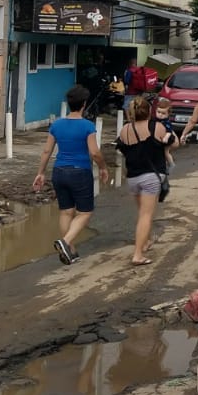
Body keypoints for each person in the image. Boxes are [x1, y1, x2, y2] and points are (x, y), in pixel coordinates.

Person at [33, 85, 111, 265]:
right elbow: (95, 152)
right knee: (84, 213)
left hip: (59, 172)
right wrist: (103, 167)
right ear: (84, 104)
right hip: (80, 172)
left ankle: (71, 251)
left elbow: (46, 151)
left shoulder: (57, 125)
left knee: (66, 212)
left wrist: (40, 173)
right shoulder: (87, 126)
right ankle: (66, 242)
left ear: (69, 104)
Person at [115, 96, 173, 266]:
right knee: (146, 215)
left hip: (132, 177)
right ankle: (138, 254)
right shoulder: (157, 127)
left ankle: (146, 242)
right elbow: (171, 143)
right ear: (149, 112)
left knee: (142, 213)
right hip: (151, 176)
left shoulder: (125, 129)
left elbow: (122, 148)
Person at [153, 97, 178, 170]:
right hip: (161, 140)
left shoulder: (166, 122)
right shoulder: (155, 120)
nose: (160, 115)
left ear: (168, 114)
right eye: (158, 112)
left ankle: (171, 164)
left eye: (163, 113)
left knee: (166, 152)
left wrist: (166, 138)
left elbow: (169, 131)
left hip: (167, 140)